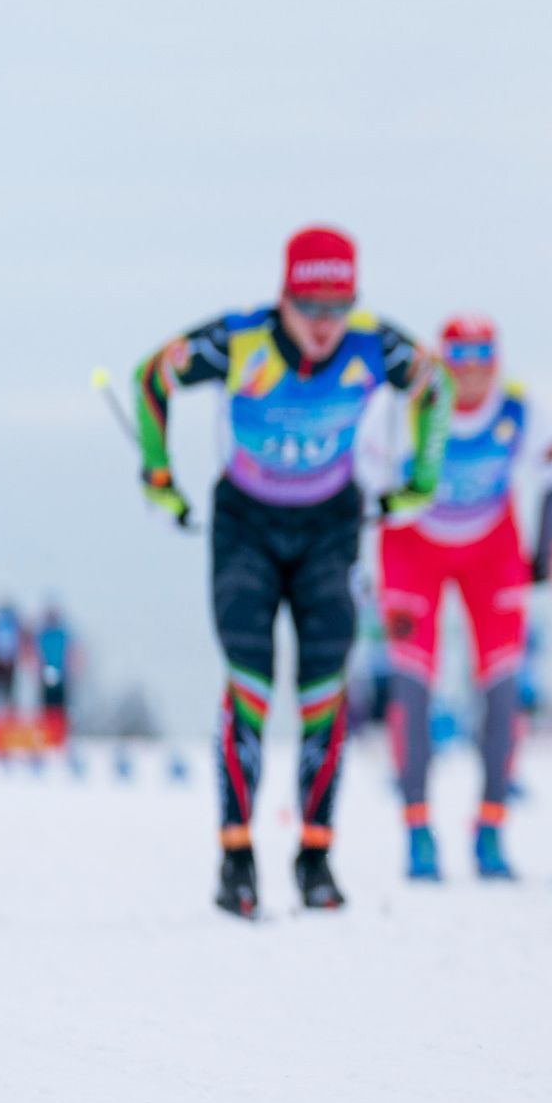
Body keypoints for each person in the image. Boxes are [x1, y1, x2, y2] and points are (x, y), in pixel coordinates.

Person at [133, 225, 445, 918]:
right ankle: (237, 861)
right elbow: (152, 377)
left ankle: (315, 858)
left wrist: (421, 478)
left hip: (330, 526)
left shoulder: (374, 347)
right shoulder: (240, 340)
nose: (326, 325)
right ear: (285, 297)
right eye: (312, 307)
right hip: (245, 524)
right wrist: (159, 476)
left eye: (340, 306)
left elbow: (435, 383)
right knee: (249, 685)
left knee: (322, 692)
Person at [379, 315, 552, 883]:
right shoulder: (410, 405)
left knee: (503, 687)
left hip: (491, 547)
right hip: (413, 545)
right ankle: (417, 832)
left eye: (479, 370)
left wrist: (542, 550)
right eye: (457, 370)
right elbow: (364, 479)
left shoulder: (518, 408)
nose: (468, 384)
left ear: (495, 366)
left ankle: (490, 830)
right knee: (412, 685)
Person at [35, 602, 72, 740]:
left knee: (60, 709)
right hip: (45, 675)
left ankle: (61, 736)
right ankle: (47, 735)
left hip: (61, 676)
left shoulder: (62, 634)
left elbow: (69, 653)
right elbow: (38, 654)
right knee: (46, 708)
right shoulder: (43, 634)